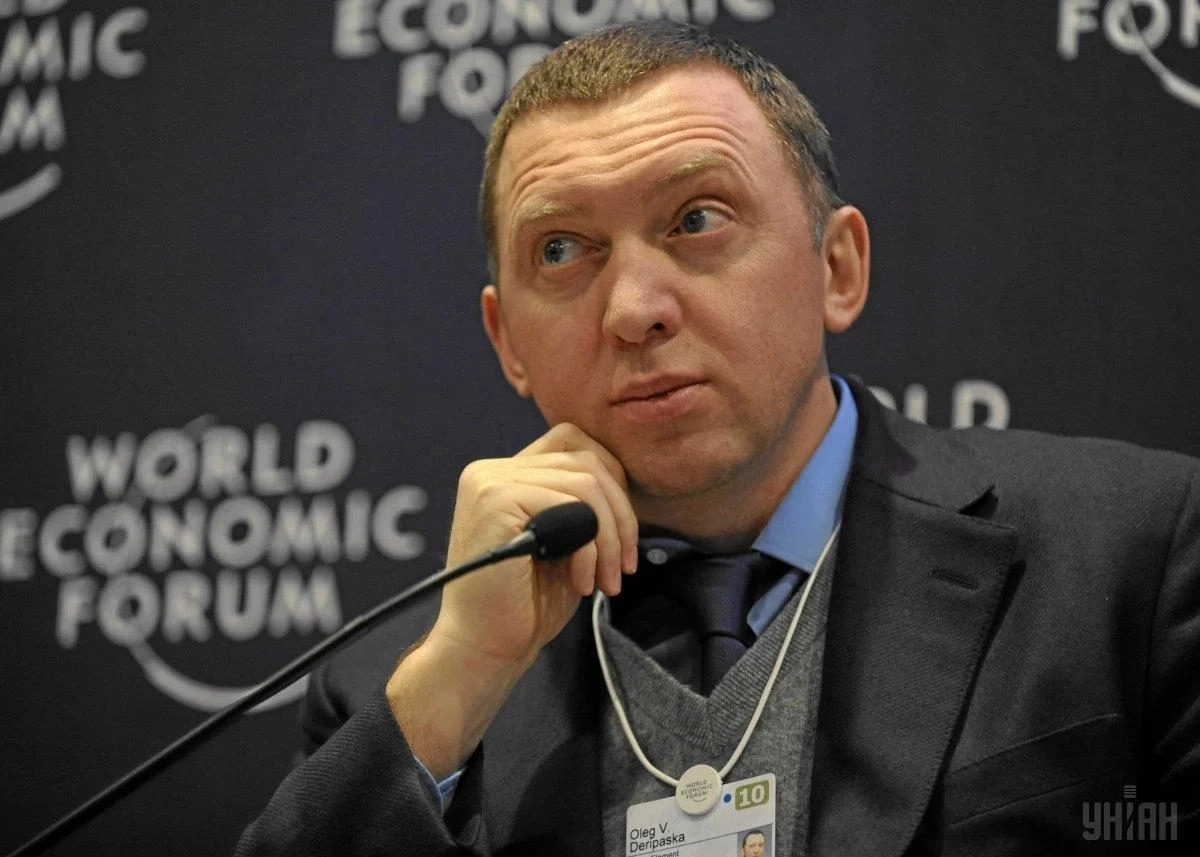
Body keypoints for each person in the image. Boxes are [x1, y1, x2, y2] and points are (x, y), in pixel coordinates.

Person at [236, 21, 1199, 856]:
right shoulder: (397, 690)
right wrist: (461, 680)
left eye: (697, 219)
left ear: (837, 268)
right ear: (508, 343)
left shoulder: (1133, 558)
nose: (634, 309)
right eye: (561, 249)